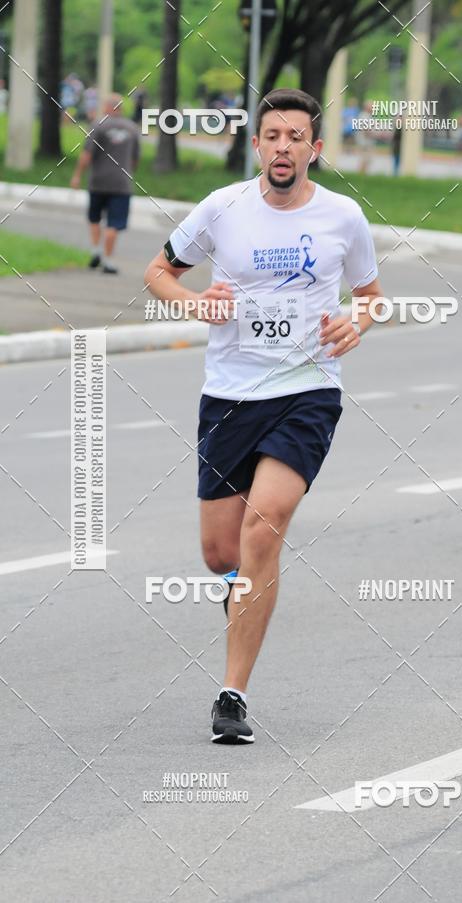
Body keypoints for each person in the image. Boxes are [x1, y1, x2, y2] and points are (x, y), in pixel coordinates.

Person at [144, 88, 383, 744]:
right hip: (229, 394)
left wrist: (355, 322)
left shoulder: (344, 217)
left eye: (296, 136)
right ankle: (246, 594)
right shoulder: (223, 208)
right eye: (272, 135)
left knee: (263, 526)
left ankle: (232, 694)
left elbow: (370, 295)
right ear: (258, 146)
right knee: (221, 551)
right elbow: (158, 272)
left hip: (308, 391)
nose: (284, 146)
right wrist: (197, 303)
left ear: (315, 149)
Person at [70, 93, 140, 274]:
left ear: (108, 107)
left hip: (98, 181)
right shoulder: (132, 129)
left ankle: (96, 251)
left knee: (94, 218)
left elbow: (87, 154)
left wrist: (77, 175)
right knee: (113, 224)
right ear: (121, 108)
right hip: (121, 184)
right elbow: (134, 160)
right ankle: (108, 260)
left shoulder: (97, 126)